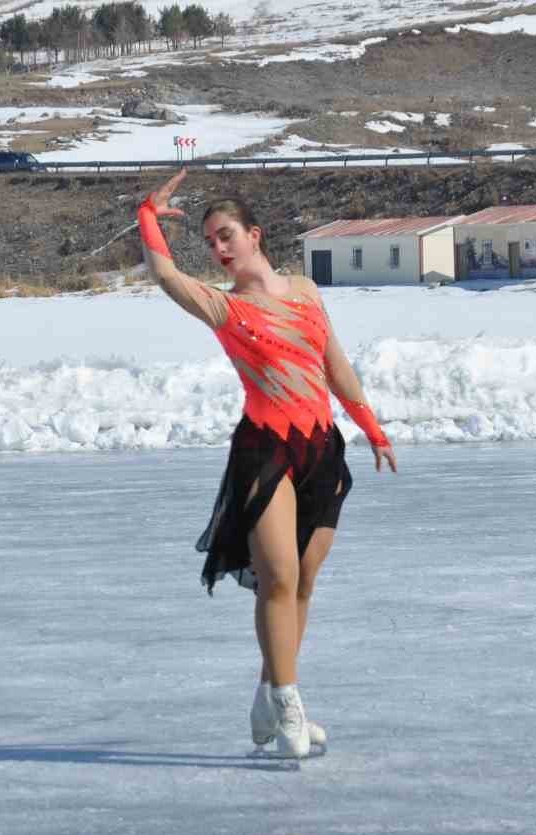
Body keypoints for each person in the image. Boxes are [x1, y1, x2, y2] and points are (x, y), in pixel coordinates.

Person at [138, 169, 397, 758]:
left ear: (255, 236)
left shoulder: (305, 292)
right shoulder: (224, 308)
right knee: (278, 578)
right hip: (265, 450)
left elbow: (335, 366)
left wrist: (373, 429)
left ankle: (268, 688)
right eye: (209, 242)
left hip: (321, 447)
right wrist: (148, 216)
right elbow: (164, 274)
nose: (218, 249)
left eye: (225, 235)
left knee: (304, 580)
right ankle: (290, 705)